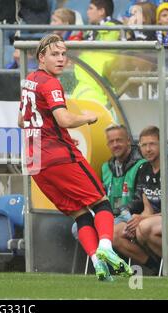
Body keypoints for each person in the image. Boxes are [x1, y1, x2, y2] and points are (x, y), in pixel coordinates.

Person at [18, 33, 132, 282]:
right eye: (54, 54)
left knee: (80, 214)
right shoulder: (50, 83)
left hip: (34, 162)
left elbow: (20, 120)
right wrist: (87, 117)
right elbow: (64, 119)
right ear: (41, 57)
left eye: (63, 54)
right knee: (101, 203)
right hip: (58, 156)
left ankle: (97, 263)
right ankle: (106, 249)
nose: (61, 59)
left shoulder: (30, 80)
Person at [117, 126, 168, 267]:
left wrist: (142, 219)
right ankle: (155, 267)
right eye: (144, 145)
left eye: (152, 144)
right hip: (152, 220)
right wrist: (136, 221)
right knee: (115, 233)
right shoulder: (143, 169)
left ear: (161, 144)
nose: (148, 149)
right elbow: (147, 207)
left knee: (143, 227)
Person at [71, 124, 146, 238]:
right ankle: (99, 255)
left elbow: (139, 202)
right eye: (111, 142)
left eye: (119, 140)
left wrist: (115, 211)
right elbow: (101, 196)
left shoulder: (142, 164)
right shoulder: (106, 167)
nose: (115, 145)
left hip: (130, 216)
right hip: (111, 214)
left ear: (128, 141)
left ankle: (105, 253)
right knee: (77, 228)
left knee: (105, 229)